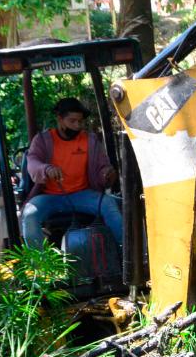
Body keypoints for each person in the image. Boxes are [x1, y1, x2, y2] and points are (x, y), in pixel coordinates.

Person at [21, 97, 124, 248]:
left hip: (82, 194)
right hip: (50, 197)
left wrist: (106, 174)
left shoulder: (90, 140)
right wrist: (46, 169)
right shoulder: (43, 140)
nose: (77, 125)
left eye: (80, 121)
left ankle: (126, 253)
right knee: (29, 215)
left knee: (109, 204)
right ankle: (40, 261)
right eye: (72, 121)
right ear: (60, 119)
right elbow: (33, 163)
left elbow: (102, 167)